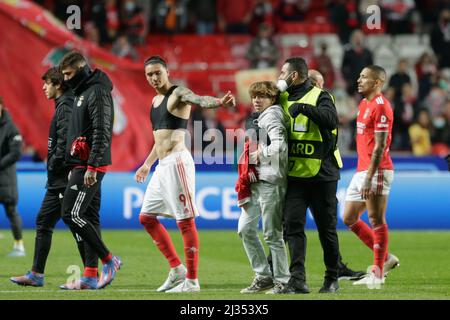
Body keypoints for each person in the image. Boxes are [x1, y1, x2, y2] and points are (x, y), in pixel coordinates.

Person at [135, 55, 235, 293]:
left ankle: (192, 281)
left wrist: (219, 102)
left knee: (185, 222)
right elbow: (159, 139)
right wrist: (147, 164)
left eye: (158, 72)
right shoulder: (155, 101)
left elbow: (199, 99)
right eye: (149, 74)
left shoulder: (178, 93)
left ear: (167, 71)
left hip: (178, 163)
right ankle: (176, 269)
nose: (154, 78)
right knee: (146, 218)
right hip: (161, 166)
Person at [10, 67, 89, 287]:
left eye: (47, 83)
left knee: (76, 225)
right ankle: (37, 274)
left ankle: (92, 273)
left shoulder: (65, 106)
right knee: (45, 222)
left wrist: (54, 163)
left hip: (64, 178)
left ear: (58, 84)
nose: (44, 87)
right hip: (58, 179)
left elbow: (65, 141)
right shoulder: (64, 104)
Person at [273, 57, 343, 294]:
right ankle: (297, 279)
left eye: (283, 73)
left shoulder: (321, 96)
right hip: (295, 175)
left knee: (327, 229)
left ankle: (332, 278)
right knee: (292, 227)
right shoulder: (280, 98)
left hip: (323, 174)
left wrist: (303, 108)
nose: (279, 76)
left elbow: (331, 119)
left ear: (294, 76)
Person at [59, 51, 121, 290]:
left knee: (71, 214)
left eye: (69, 74)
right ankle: (89, 275)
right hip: (81, 164)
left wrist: (92, 165)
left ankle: (109, 259)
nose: (65, 79)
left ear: (82, 69)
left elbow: (102, 129)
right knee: (90, 217)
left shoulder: (96, 91)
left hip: (90, 165)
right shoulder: (82, 92)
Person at [343, 65, 400, 287]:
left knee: (376, 219)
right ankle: (387, 259)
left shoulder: (381, 107)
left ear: (377, 82)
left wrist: (369, 176)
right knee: (349, 217)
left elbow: (380, 146)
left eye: (364, 77)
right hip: (362, 169)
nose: (359, 80)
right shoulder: (364, 103)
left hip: (376, 170)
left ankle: (377, 273)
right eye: (359, 75)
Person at [237, 81, 291, 294]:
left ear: (272, 99)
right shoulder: (258, 117)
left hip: (270, 181)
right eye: (254, 96)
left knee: (272, 234)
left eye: (262, 96)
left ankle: (283, 280)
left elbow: (280, 145)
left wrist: (261, 154)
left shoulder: (272, 115)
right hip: (256, 181)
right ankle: (264, 276)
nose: (257, 100)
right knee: (245, 230)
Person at [0, 96, 25, 257]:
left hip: (6, 178)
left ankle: (19, 245)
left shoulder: (11, 128)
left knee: (11, 211)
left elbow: (16, 153)